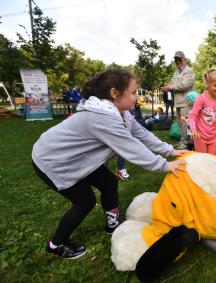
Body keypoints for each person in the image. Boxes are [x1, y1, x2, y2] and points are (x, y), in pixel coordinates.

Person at [31, 69, 187, 259]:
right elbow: (131, 147)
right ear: (115, 94)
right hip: (52, 160)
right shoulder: (102, 118)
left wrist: (170, 151)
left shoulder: (121, 113)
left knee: (109, 182)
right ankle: (56, 244)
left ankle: (111, 224)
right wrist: (164, 165)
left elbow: (142, 135)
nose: (136, 97)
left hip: (77, 157)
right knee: (85, 201)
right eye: (133, 92)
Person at [162, 51, 195, 150]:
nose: (177, 61)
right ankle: (183, 140)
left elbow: (184, 85)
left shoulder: (189, 71)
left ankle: (188, 143)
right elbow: (173, 84)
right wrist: (168, 86)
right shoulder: (176, 72)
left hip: (186, 101)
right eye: (176, 59)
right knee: (180, 123)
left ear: (184, 59)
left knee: (186, 122)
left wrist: (170, 87)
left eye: (179, 59)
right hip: (178, 102)